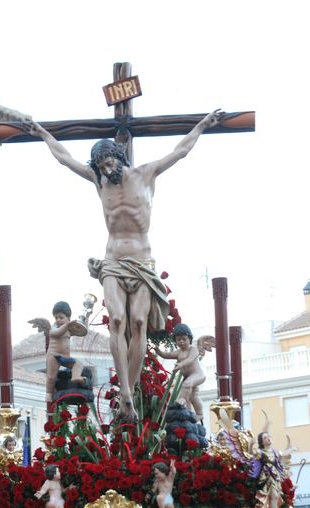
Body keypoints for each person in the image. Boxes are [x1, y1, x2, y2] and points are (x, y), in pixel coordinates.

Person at [22, 110, 223, 420]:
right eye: (101, 166)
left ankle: (131, 389)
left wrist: (203, 124)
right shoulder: (99, 182)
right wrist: (41, 133)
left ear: (118, 156)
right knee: (118, 322)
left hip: (142, 261)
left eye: (110, 163)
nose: (106, 169)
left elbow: (181, 150)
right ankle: (126, 394)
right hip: (113, 260)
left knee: (139, 323)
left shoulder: (146, 173)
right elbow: (64, 157)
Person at [155, 323, 206, 421]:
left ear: (189, 339)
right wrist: (159, 352)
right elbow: (168, 355)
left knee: (186, 385)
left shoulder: (193, 349)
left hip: (197, 375)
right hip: (188, 378)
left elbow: (190, 359)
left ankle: (186, 403)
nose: (181, 342)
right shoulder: (179, 352)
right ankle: (191, 412)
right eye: (178, 339)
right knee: (192, 397)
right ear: (175, 341)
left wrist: (181, 365)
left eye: (184, 339)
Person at [45, 301, 87, 403]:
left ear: (68, 317)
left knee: (78, 364)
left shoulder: (68, 329)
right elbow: (58, 332)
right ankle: (48, 393)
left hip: (64, 357)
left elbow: (82, 331)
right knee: (51, 377)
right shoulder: (53, 329)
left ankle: (75, 377)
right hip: (54, 356)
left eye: (61, 317)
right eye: (56, 318)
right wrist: (68, 325)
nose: (58, 320)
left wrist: (85, 319)